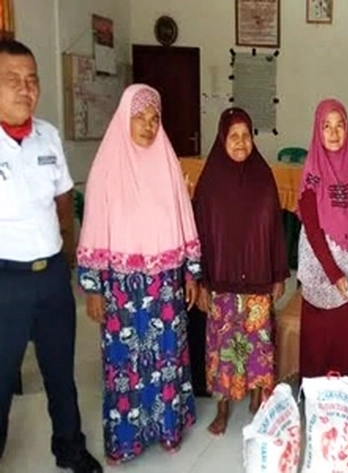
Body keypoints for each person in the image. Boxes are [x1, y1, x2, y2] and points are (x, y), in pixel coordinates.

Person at [76, 84, 201, 464]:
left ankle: (167, 428)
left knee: (167, 358)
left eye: (154, 118)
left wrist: (191, 274)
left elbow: (184, 221)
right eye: (139, 117)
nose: (148, 125)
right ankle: (126, 439)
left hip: (165, 284)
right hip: (121, 286)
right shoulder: (106, 169)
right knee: (124, 365)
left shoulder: (167, 165)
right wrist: (92, 288)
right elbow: (93, 228)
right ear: (123, 120)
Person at [0, 39, 103, 473]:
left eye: (32, 79)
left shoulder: (48, 135)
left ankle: (70, 449)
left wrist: (68, 251)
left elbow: (64, 196)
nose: (26, 89)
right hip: (6, 280)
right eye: (13, 80)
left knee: (61, 373)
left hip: (52, 276)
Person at [192, 107, 289, 434]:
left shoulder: (263, 176)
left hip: (258, 280)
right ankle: (222, 409)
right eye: (233, 136)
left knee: (259, 347)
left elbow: (275, 229)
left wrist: (278, 274)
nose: (241, 142)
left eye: (246, 135)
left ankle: (257, 399)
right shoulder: (209, 182)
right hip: (221, 282)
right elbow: (199, 234)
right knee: (221, 349)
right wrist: (200, 281)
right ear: (222, 139)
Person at [297, 98, 348, 381]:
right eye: (326, 126)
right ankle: (319, 401)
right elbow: (313, 230)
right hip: (321, 272)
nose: (333, 133)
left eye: (339, 125)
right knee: (320, 344)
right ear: (317, 131)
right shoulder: (312, 173)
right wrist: (334, 274)